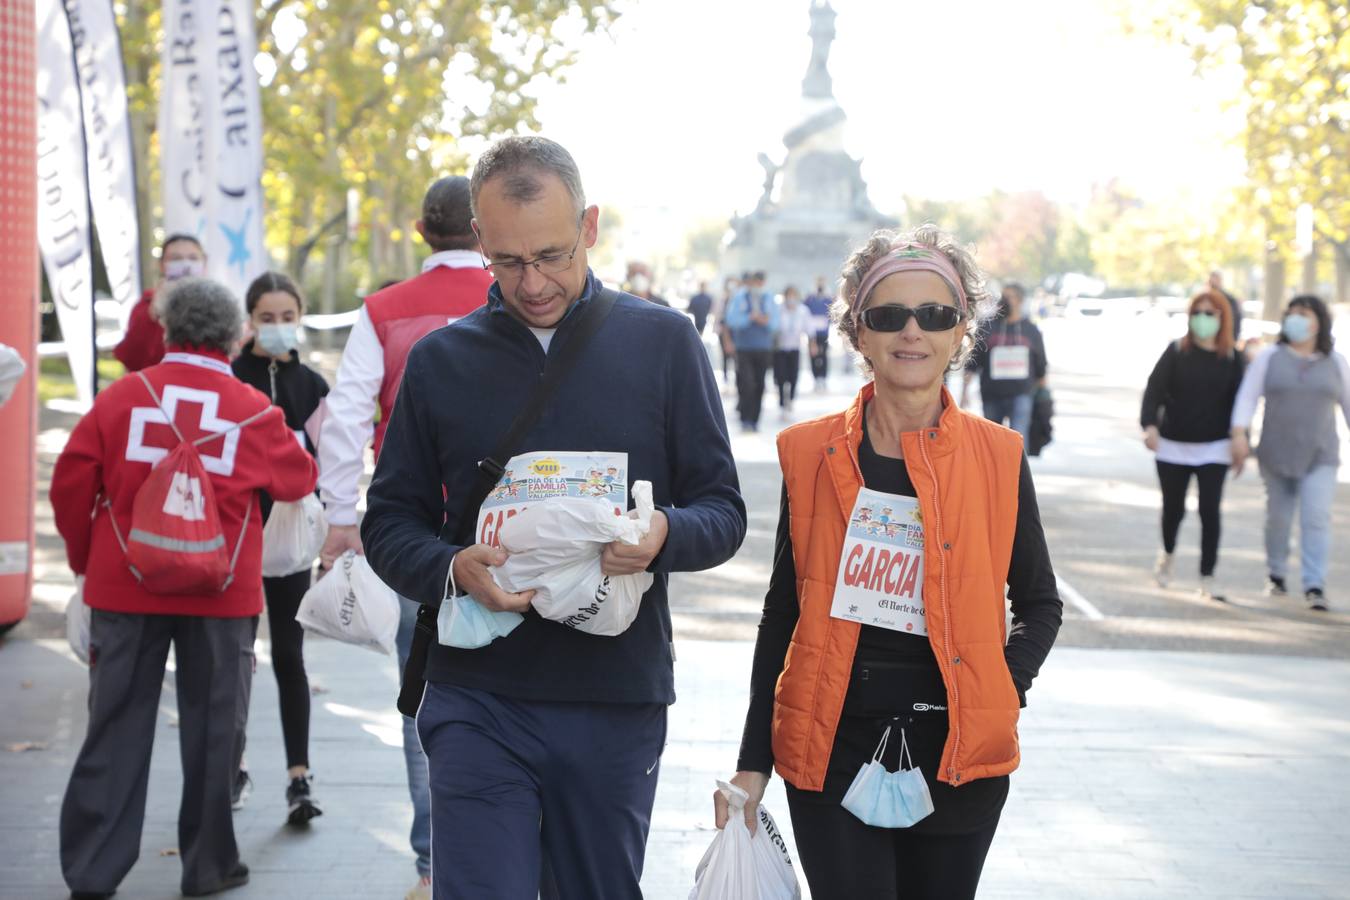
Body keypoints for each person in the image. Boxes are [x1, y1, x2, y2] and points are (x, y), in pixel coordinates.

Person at [360, 135, 747, 899]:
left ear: (591, 227)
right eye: (507, 262)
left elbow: (723, 512)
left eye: (553, 255)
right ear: (478, 242)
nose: (532, 282)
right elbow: (389, 522)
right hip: (477, 695)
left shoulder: (665, 343)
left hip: (613, 699)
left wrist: (664, 534)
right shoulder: (441, 361)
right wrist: (447, 567)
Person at [717, 226, 1062, 900]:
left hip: (959, 756)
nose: (912, 332)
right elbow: (782, 613)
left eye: (934, 315)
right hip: (831, 750)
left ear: (960, 331)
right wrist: (751, 764)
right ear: (858, 333)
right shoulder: (811, 454)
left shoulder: (998, 456)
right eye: (888, 316)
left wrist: (1003, 683)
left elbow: (1040, 602)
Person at [52, 279, 318, 899]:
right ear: (235, 336)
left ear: (167, 331)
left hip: (124, 588)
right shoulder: (251, 407)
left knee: (114, 728)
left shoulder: (122, 398)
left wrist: (84, 563)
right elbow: (299, 478)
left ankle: (93, 869)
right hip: (222, 594)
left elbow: (70, 483)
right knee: (215, 730)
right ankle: (207, 866)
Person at [316, 174, 492, 899]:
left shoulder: (383, 312)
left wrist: (340, 519)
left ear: (422, 234)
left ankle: (434, 864)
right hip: (520, 539)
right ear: (486, 232)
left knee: (424, 696)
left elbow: (347, 416)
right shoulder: (524, 295)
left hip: (419, 542)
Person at [231, 272, 330, 825]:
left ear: (300, 315)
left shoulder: (311, 384)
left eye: (285, 316)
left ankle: (299, 776)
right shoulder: (231, 376)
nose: (276, 327)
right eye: (265, 318)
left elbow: (328, 459)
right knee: (237, 657)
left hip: (292, 542)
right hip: (238, 537)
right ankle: (232, 766)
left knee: (289, 656)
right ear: (249, 320)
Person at [1231, 295, 1350, 611]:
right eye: (1292, 314)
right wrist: (1239, 434)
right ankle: (1277, 572)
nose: (1296, 319)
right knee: (1279, 518)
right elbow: (1247, 398)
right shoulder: (1270, 357)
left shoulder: (1336, 362)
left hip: (1320, 454)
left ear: (1318, 322)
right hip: (1276, 451)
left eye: (1304, 314)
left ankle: (1314, 583)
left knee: (1316, 517)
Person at [1140, 291, 1245, 601]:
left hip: (1215, 447)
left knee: (1210, 511)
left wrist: (1242, 439)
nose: (1203, 319)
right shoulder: (1176, 352)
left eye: (1210, 313)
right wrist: (1150, 426)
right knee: (1173, 508)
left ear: (1223, 318)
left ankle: (1207, 575)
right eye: (1198, 312)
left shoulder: (1233, 358)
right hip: (1173, 445)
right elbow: (1154, 390)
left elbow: (1243, 404)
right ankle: (1168, 554)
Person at [963, 282, 1047, 440]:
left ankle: (1017, 466)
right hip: (991, 394)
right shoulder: (988, 327)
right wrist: (964, 392)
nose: (1004, 301)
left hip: (1021, 394)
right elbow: (973, 363)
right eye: (1003, 296)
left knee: (1018, 439)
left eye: (1010, 297)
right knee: (992, 440)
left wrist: (1043, 394)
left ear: (1020, 301)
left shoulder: (1030, 330)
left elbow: (1040, 363)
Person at [113, 233, 207, 372]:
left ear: (204, 262)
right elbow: (133, 358)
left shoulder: (218, 306)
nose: (185, 265)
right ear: (162, 265)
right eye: (176, 259)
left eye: (193, 258)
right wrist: (153, 315)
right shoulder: (146, 306)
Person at [725, 270, 780, 432]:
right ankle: (745, 418)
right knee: (746, 383)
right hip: (744, 348)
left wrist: (764, 321)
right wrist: (749, 318)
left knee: (760, 384)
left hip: (763, 347)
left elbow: (775, 323)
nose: (757, 286)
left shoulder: (769, 298)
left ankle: (755, 419)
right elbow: (731, 320)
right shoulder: (740, 297)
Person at [773, 285, 811, 414]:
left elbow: (809, 329)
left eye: (793, 295)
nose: (791, 298)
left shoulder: (803, 310)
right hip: (780, 348)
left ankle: (791, 399)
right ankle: (782, 401)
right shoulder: (778, 309)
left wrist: (812, 344)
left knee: (793, 376)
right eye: (788, 295)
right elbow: (773, 326)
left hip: (795, 347)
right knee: (780, 376)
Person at [804, 275, 833, 391]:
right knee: (813, 354)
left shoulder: (827, 299)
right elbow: (805, 311)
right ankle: (815, 378)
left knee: (824, 355)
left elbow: (832, 313)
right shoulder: (810, 299)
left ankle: (823, 377)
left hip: (824, 332)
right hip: (812, 333)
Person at [1207, 270, 1244, 347]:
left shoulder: (1229, 300)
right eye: (1211, 281)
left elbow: (1236, 319)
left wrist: (1233, 339)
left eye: (1217, 280)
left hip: (1223, 341)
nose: (1214, 283)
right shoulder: (1203, 299)